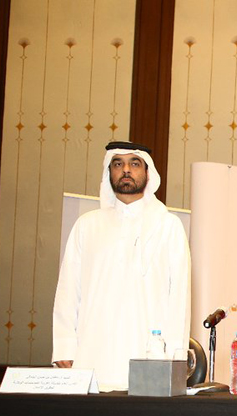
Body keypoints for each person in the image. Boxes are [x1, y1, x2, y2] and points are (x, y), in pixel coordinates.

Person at [52, 141, 191, 391]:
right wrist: (64, 346)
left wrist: (175, 360)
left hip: (150, 362)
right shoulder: (87, 225)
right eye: (118, 164)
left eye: (134, 163)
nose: (126, 170)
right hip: (92, 358)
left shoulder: (169, 226)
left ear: (148, 173)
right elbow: (68, 291)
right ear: (109, 173)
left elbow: (179, 300)